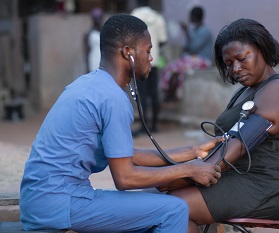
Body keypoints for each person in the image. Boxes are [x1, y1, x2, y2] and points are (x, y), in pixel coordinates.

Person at [19, 14, 221, 233]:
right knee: (175, 210)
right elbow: (125, 177)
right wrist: (188, 170)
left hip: (40, 200)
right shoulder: (113, 98)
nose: (151, 58)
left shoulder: (91, 84)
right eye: (148, 50)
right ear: (128, 53)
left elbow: (124, 154)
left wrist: (191, 151)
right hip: (61, 202)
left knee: (155, 199)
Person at [166, 18, 279, 233]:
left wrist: (183, 175)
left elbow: (238, 144)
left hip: (270, 186)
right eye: (229, 63)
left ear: (262, 49)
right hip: (238, 176)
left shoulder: (278, 90)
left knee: (172, 207)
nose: (236, 69)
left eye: (241, 58)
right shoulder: (246, 90)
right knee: (163, 202)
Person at [160, 6, 213, 102]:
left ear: (195, 17)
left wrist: (185, 32)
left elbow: (193, 48)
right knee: (171, 67)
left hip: (203, 60)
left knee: (179, 68)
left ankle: (173, 97)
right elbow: (187, 48)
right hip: (192, 58)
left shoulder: (205, 31)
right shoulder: (194, 30)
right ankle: (169, 95)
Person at [131, 0, 168, 135]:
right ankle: (154, 125)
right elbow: (163, 40)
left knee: (142, 94)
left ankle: (143, 126)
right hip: (155, 60)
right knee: (154, 94)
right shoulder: (158, 18)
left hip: (140, 62)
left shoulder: (134, 16)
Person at [84, 8, 104, 72]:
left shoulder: (105, 31)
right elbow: (86, 51)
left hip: (104, 59)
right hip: (94, 58)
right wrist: (87, 66)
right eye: (96, 18)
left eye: (99, 17)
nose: (98, 20)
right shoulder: (88, 33)